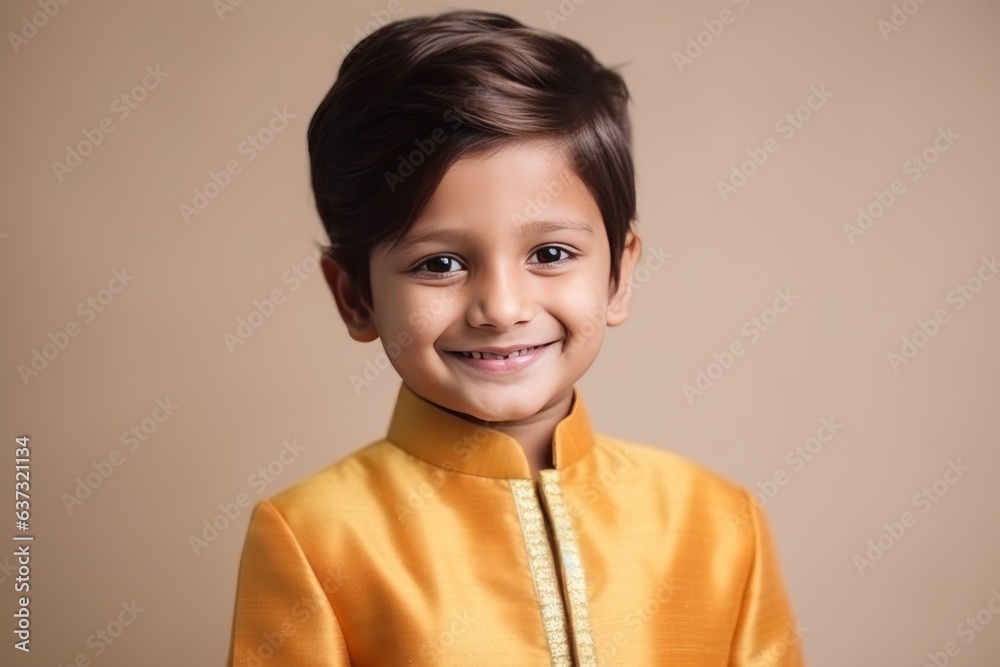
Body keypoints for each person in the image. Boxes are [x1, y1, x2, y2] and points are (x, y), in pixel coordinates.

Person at [226, 9, 804, 666]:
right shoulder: (315, 537)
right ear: (355, 296)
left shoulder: (719, 520)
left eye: (551, 253)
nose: (501, 308)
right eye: (439, 263)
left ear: (619, 274)